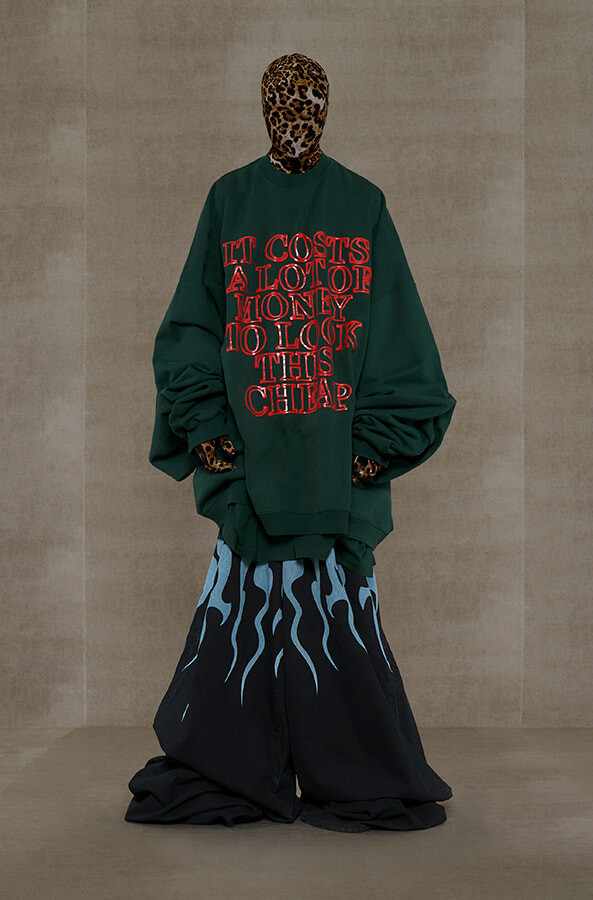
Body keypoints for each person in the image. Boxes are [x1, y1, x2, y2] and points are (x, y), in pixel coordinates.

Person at [124, 52, 457, 833]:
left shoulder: (362, 205)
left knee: (337, 625)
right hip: (253, 460)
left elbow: (399, 335)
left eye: (313, 103)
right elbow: (194, 324)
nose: (300, 118)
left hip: (336, 467)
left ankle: (357, 771)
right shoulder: (230, 200)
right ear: (265, 109)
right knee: (240, 628)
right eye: (286, 103)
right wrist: (207, 427)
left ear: (329, 109)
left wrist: (374, 443)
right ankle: (233, 770)